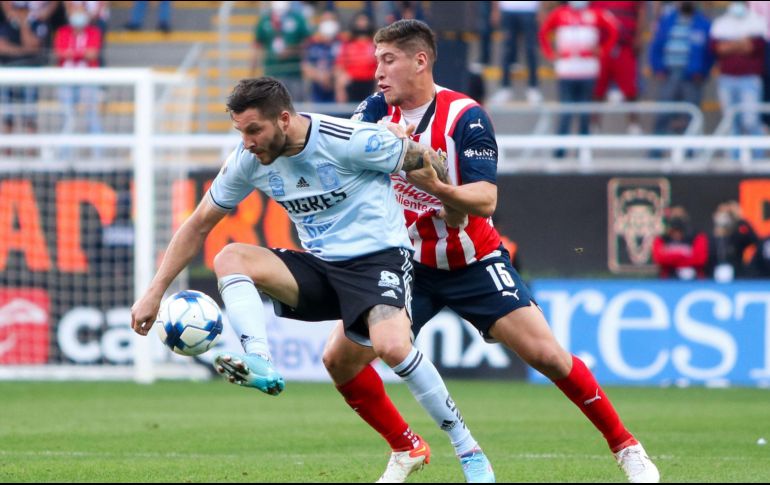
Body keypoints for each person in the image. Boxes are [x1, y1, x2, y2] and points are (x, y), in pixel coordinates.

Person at [326, 18, 659, 484]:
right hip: (406, 266)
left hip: (473, 262)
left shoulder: (466, 116)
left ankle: (627, 447)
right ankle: (405, 448)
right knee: (338, 360)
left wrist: (438, 187)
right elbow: (343, 162)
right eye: (377, 60)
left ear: (420, 61)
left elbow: (486, 200)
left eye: (388, 60)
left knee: (548, 357)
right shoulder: (375, 110)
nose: (376, 71)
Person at [130, 77, 487, 483]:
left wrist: (451, 205)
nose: (247, 142)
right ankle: (260, 360)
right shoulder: (248, 160)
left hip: (378, 260)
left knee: (389, 347)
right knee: (231, 257)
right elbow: (197, 225)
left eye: (253, 130)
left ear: (284, 119)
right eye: (240, 131)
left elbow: (426, 159)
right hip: (321, 267)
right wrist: (155, 292)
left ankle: (467, 447)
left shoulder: (349, 140)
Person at [539, 1, 618, 158]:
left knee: (584, 113)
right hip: (566, 70)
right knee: (565, 113)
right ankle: (560, 152)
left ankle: (583, 151)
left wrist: (603, 49)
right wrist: (550, 53)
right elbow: (543, 32)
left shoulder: (596, 14)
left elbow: (614, 30)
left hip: (588, 70)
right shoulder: (560, 14)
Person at [649, 1, 713, 157]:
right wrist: (658, 68)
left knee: (691, 116)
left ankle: (690, 152)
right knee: (664, 114)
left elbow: (709, 53)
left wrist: (702, 72)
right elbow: (656, 46)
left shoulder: (703, 23)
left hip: (692, 77)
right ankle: (656, 153)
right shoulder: (667, 21)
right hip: (670, 74)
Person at [710, 1, 767, 160]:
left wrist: (730, 45)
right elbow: (718, 48)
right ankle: (732, 158)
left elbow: (753, 47)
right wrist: (741, 43)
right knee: (730, 121)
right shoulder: (722, 23)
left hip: (749, 80)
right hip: (726, 79)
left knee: (750, 120)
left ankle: (758, 157)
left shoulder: (756, 21)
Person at [652, 205, 709, 280]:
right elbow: (659, 259)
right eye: (675, 215)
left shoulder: (697, 237)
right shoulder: (661, 239)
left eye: (680, 216)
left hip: (693, 278)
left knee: (687, 272)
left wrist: (672, 257)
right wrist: (683, 256)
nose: (677, 219)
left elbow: (700, 259)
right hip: (668, 278)